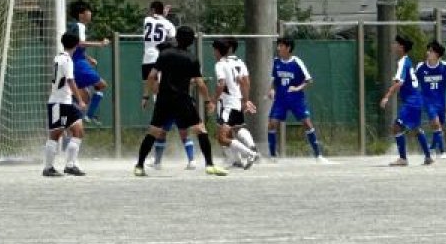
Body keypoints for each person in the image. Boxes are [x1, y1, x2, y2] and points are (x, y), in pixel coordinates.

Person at [134, 25, 226, 177]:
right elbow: (200, 83)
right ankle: (209, 165)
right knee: (200, 130)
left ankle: (139, 166)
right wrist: (208, 101)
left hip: (164, 99)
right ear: (191, 41)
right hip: (182, 100)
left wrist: (146, 96)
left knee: (153, 132)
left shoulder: (165, 54)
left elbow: (151, 76)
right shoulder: (192, 59)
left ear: (176, 37)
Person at [138, 1, 195, 169]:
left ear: (152, 10)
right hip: (161, 59)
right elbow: (172, 38)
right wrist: (165, 17)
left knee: (156, 90)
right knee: (178, 125)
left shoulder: (147, 21)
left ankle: (156, 160)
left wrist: (145, 96)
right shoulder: (169, 26)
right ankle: (167, 160)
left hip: (148, 58)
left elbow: (152, 17)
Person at [266, 36, 328, 161]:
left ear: (288, 48)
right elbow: (274, 80)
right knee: (272, 124)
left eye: (281, 46)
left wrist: (297, 88)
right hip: (280, 100)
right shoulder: (276, 61)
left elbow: (309, 80)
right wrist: (272, 90)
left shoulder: (297, 62)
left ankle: (318, 155)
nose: (278, 48)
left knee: (307, 123)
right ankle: (272, 156)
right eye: (278, 46)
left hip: (296, 99)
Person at [380, 34, 432, 166]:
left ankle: (403, 158)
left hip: (411, 101)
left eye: (395, 44)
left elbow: (399, 83)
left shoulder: (403, 62)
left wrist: (386, 96)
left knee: (396, 127)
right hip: (416, 100)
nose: (393, 46)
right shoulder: (407, 61)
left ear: (401, 47)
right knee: (416, 128)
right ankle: (428, 157)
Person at [43, 31, 89, 177]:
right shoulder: (67, 60)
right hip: (59, 102)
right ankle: (48, 168)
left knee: (78, 131)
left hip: (65, 102)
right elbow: (70, 80)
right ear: (76, 45)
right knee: (55, 134)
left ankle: (70, 165)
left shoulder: (59, 57)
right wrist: (80, 100)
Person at [213, 37, 258, 169]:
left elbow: (221, 83)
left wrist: (213, 101)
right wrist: (245, 99)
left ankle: (249, 153)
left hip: (227, 104)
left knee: (222, 136)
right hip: (237, 101)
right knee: (237, 128)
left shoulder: (221, 64)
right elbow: (246, 82)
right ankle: (239, 157)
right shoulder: (239, 62)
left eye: (214, 50)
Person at [415, 39, 446, 159]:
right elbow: (413, 80)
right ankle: (437, 150)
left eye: (431, 51)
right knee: (436, 123)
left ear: (437, 54)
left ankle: (436, 149)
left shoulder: (445, 66)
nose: (427, 53)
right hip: (428, 101)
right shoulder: (421, 67)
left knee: (439, 127)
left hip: (441, 102)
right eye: (428, 50)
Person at [67, 0, 109, 123]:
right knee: (101, 85)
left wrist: (89, 58)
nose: (90, 14)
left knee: (84, 98)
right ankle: (89, 116)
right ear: (81, 14)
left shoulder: (76, 26)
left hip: (77, 61)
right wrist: (100, 44)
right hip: (77, 63)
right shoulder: (79, 26)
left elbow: (75, 46)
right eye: (88, 11)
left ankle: (72, 120)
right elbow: (78, 43)